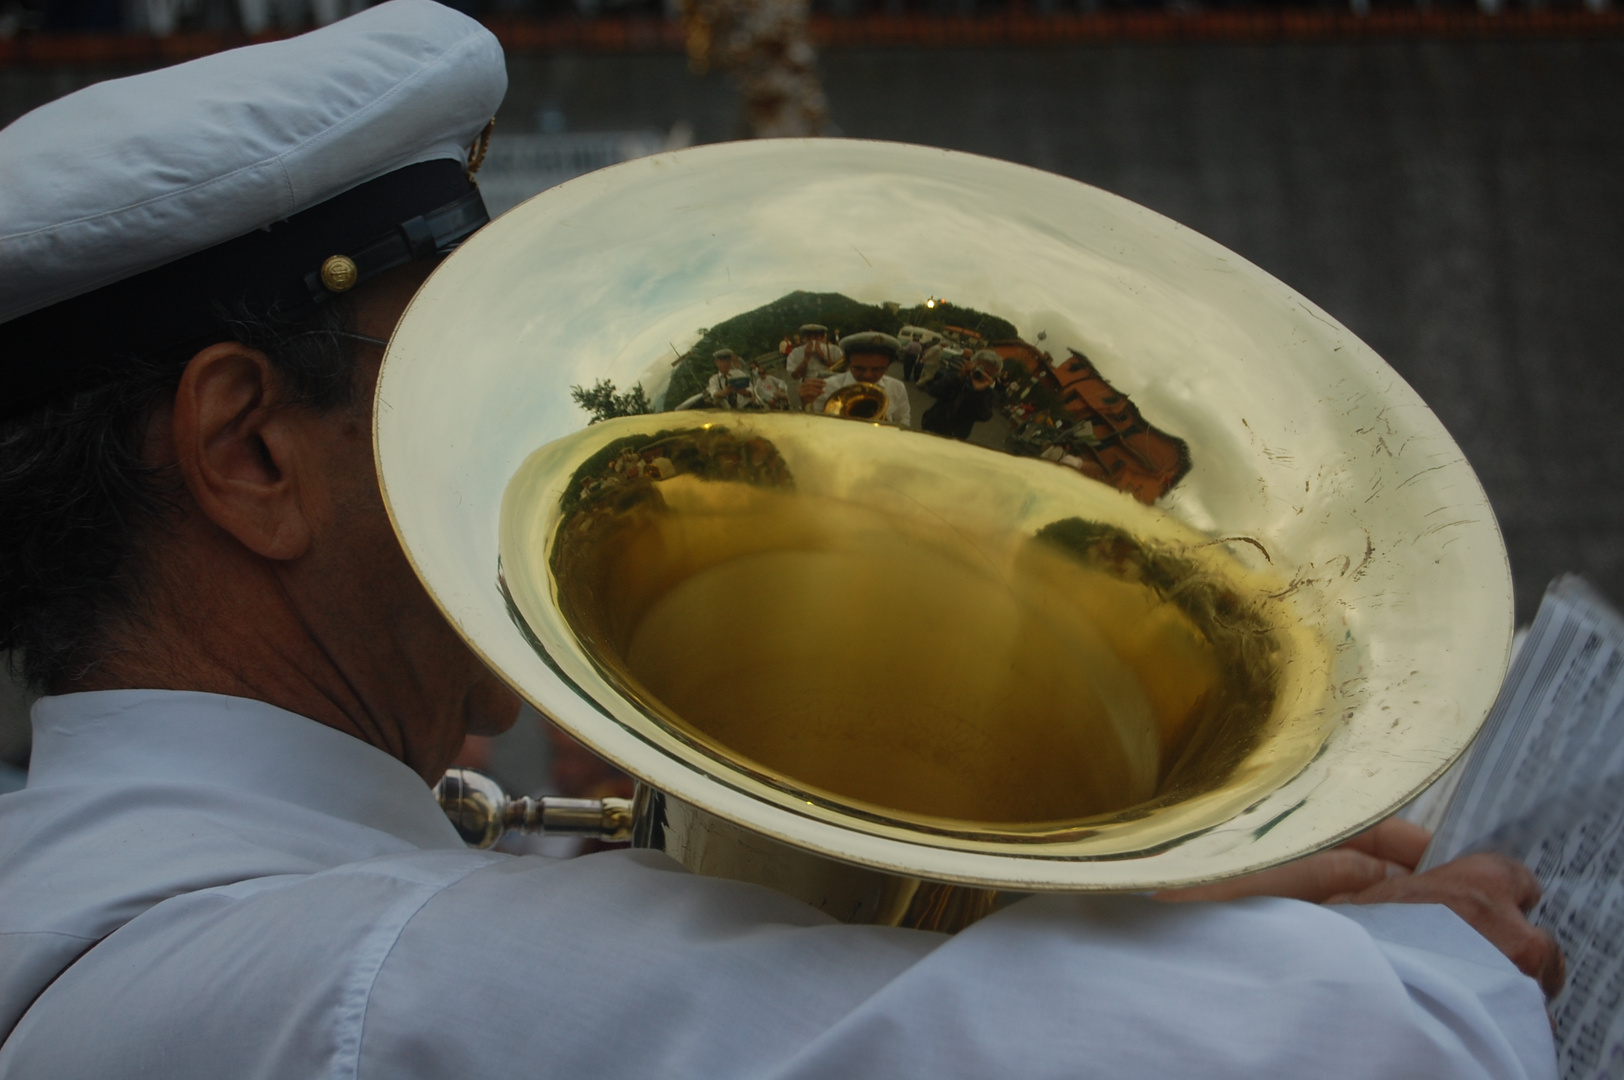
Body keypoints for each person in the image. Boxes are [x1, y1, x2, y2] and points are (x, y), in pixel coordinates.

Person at [0, 7, 1563, 1078]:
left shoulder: (134, 898)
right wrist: (1432, 949)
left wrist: (1095, 929)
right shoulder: (348, 984)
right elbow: (1387, 1048)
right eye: (431, 386)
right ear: (248, 450)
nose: (484, 464)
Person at [801, 331, 914, 427]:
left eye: (877, 369)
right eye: (859, 368)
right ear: (848, 363)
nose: (867, 375)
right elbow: (814, 426)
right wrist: (806, 402)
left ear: (888, 366)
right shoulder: (827, 386)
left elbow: (903, 422)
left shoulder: (897, 387)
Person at [921, 347, 1001, 440]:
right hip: (931, 425)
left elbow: (984, 416)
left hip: (956, 436)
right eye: (980, 369)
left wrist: (978, 391)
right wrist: (959, 377)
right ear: (971, 363)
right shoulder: (955, 376)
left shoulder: (988, 393)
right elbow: (933, 390)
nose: (982, 374)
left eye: (988, 373)